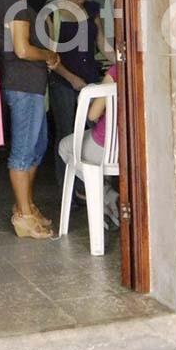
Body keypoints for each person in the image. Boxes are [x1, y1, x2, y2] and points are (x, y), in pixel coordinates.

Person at [0, 0, 59, 239]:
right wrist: (48, 55)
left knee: (36, 146)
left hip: (25, 85)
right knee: (22, 153)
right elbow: (21, 49)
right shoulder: (15, 4)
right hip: (23, 85)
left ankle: (27, 205)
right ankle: (23, 215)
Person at [49, 0, 115, 185]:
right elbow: (51, 56)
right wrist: (71, 78)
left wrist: (120, 63)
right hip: (64, 83)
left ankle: (93, 185)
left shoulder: (92, 9)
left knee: (95, 130)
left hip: (91, 79)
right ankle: (70, 187)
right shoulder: (53, 14)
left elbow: (101, 42)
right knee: (67, 132)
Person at [58, 64, 120, 228]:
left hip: (102, 146)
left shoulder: (115, 71)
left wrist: (88, 99)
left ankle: (105, 193)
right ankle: (108, 195)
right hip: (129, 150)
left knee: (64, 147)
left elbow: (93, 115)